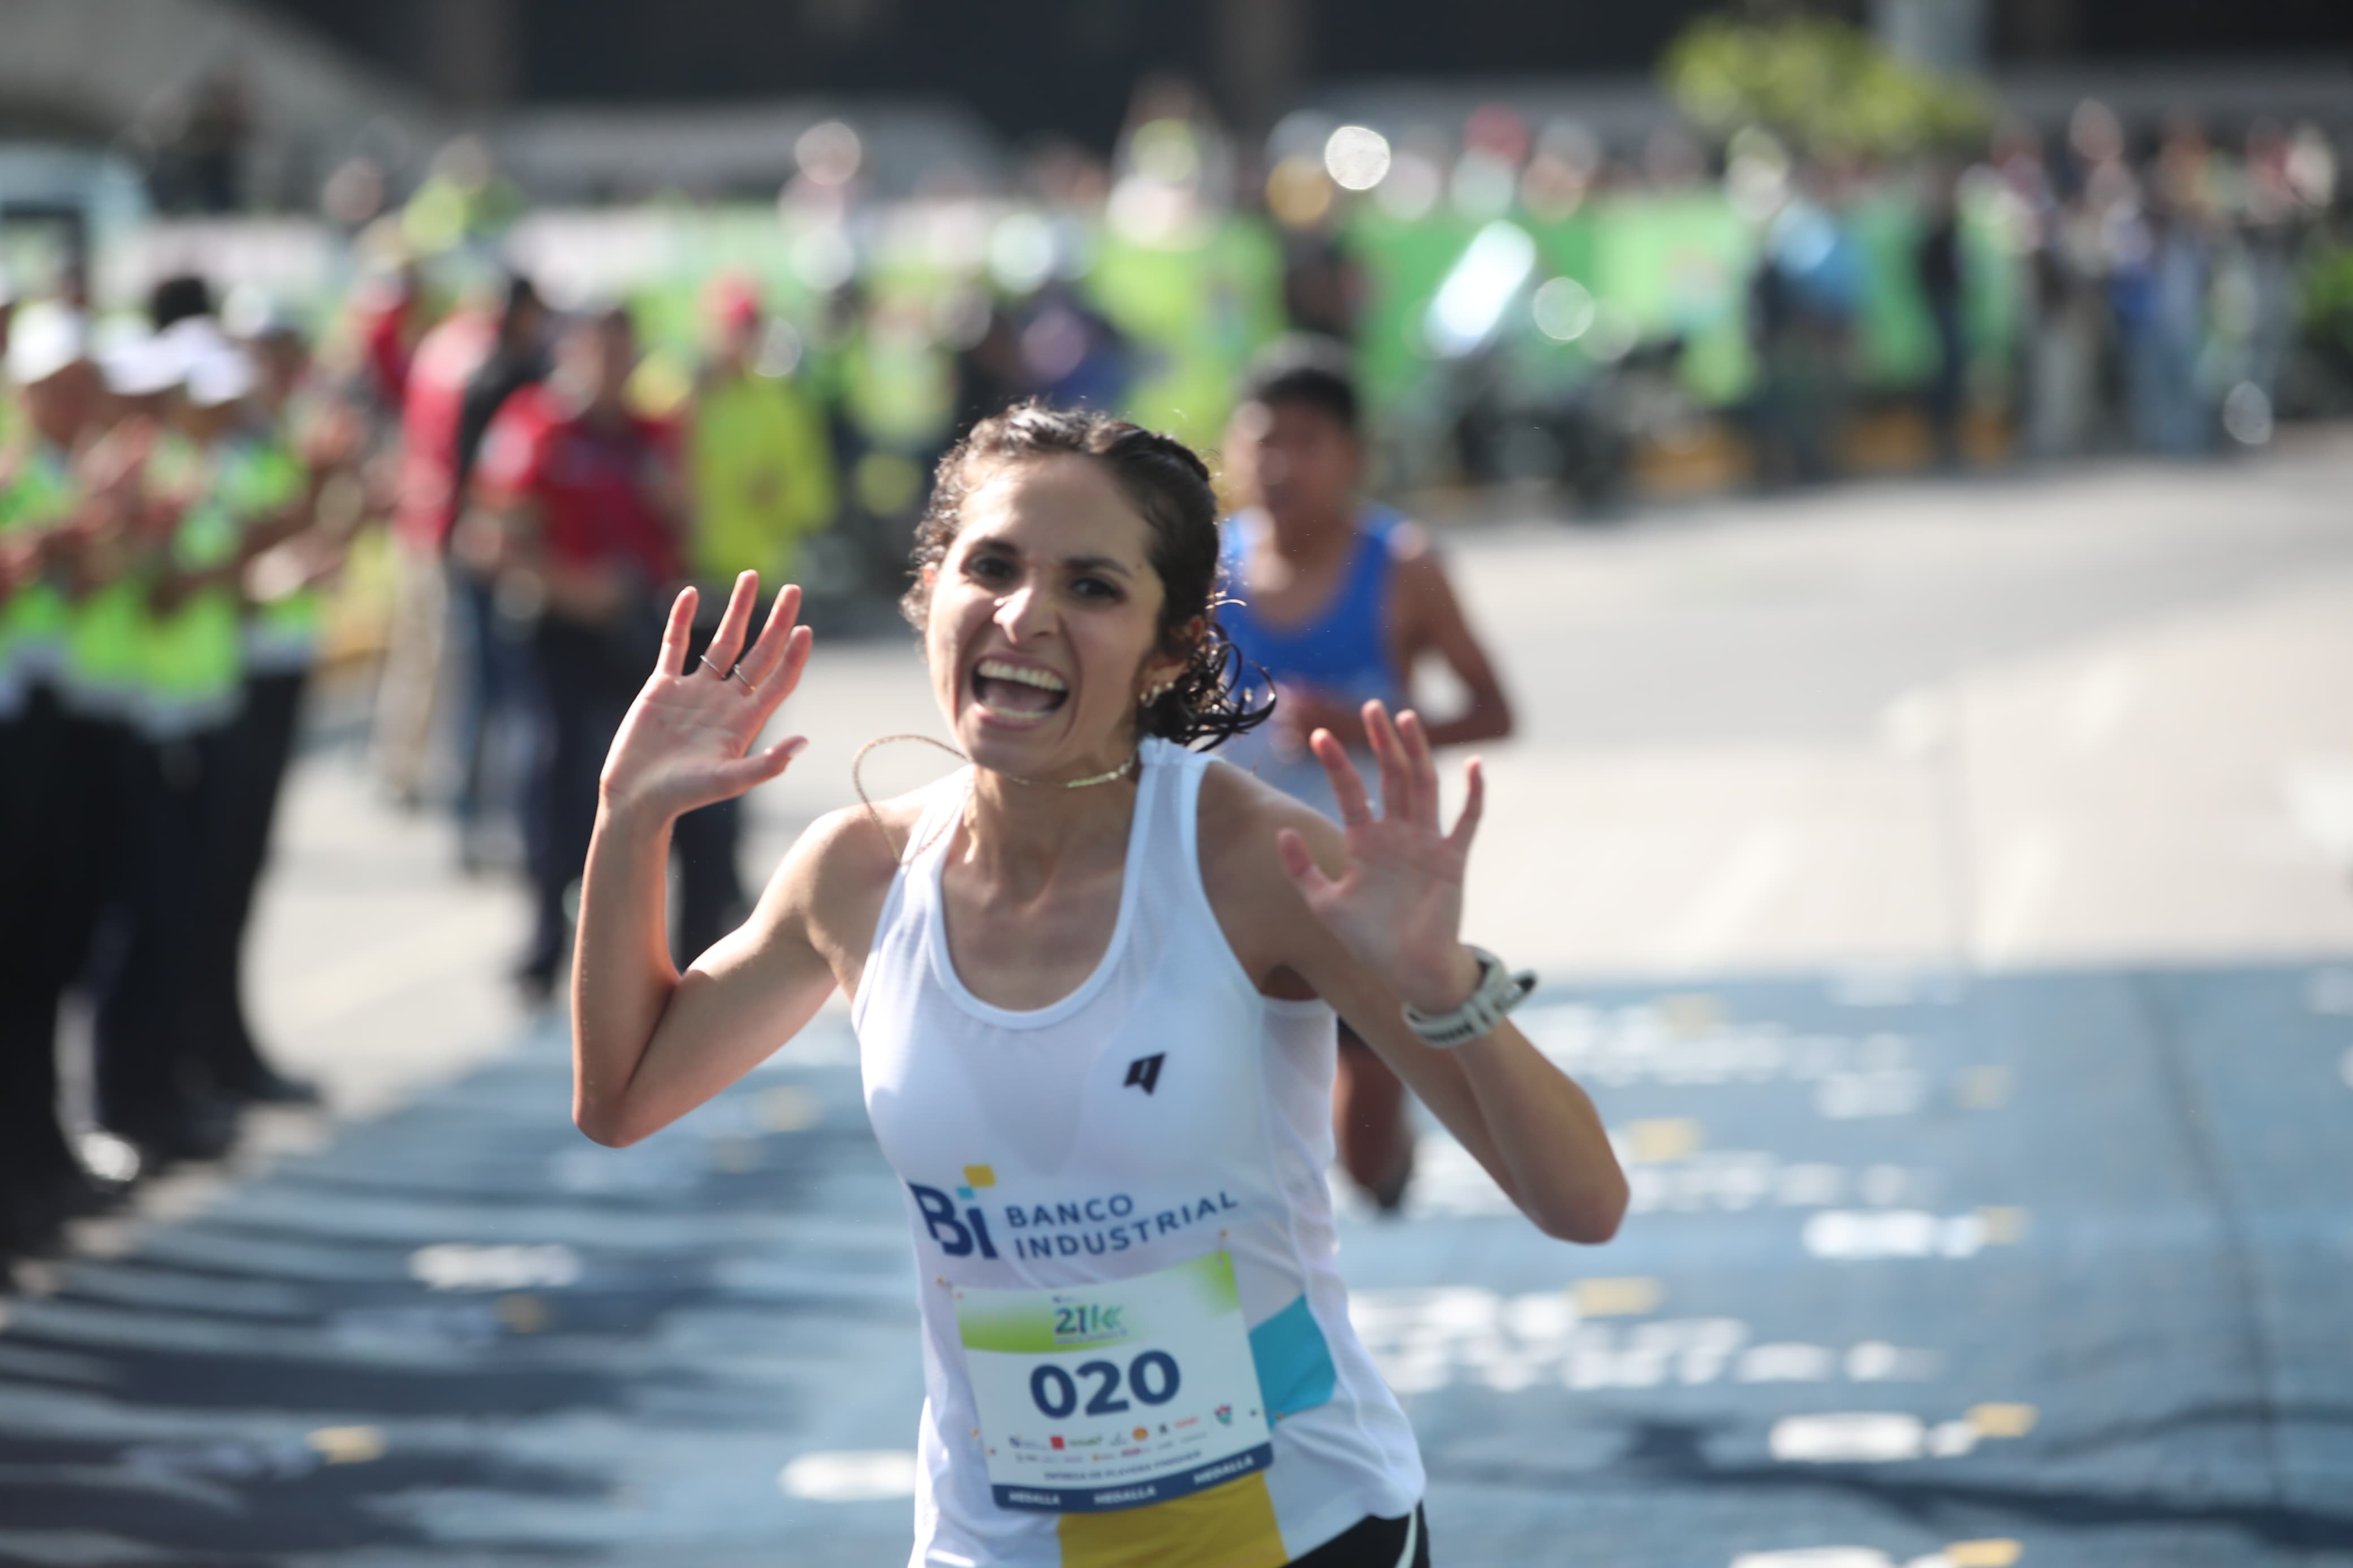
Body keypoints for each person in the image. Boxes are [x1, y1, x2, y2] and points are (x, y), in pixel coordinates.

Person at [567, 403, 1624, 1567]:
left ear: (1170, 649)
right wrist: (630, 817)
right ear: (931, 592)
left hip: (1298, 1531)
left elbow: (1582, 1204)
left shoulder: (1250, 863)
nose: (1025, 615)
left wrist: (1444, 979)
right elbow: (622, 1100)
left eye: (1092, 588)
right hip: (996, 1545)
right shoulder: (855, 875)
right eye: (994, 566)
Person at [1217, 339, 1515, 1212]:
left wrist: (1360, 726)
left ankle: (1389, 1135)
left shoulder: (1404, 566)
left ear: (1352, 457)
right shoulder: (1208, 572)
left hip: (1367, 889)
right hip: (1236, 878)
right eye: (1261, 440)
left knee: (1370, 1167)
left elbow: (1497, 712)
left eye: (1304, 443)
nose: (1277, 465)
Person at [473, 305, 685, 1000]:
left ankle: (653, 951)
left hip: (638, 631)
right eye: (602, 354)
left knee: (657, 793)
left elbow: (686, 522)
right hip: (556, 631)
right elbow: (489, 539)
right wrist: (575, 588)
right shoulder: (536, 425)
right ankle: (543, 940)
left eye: (626, 356)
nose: (615, 370)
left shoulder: (651, 433)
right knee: (555, 783)